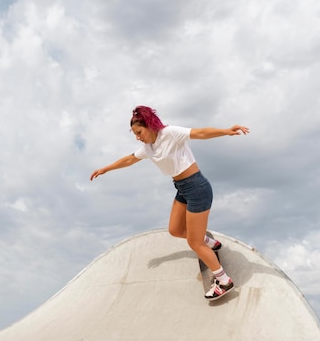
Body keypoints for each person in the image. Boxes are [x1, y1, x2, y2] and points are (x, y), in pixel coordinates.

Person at [90, 106, 249, 300]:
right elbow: (130, 159)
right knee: (174, 230)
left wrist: (226, 131)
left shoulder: (170, 133)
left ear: (149, 125)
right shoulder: (149, 148)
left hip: (198, 188)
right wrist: (105, 169)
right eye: (135, 134)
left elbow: (199, 133)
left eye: (139, 132)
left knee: (194, 243)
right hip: (182, 188)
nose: (138, 137)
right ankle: (211, 243)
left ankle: (224, 281)